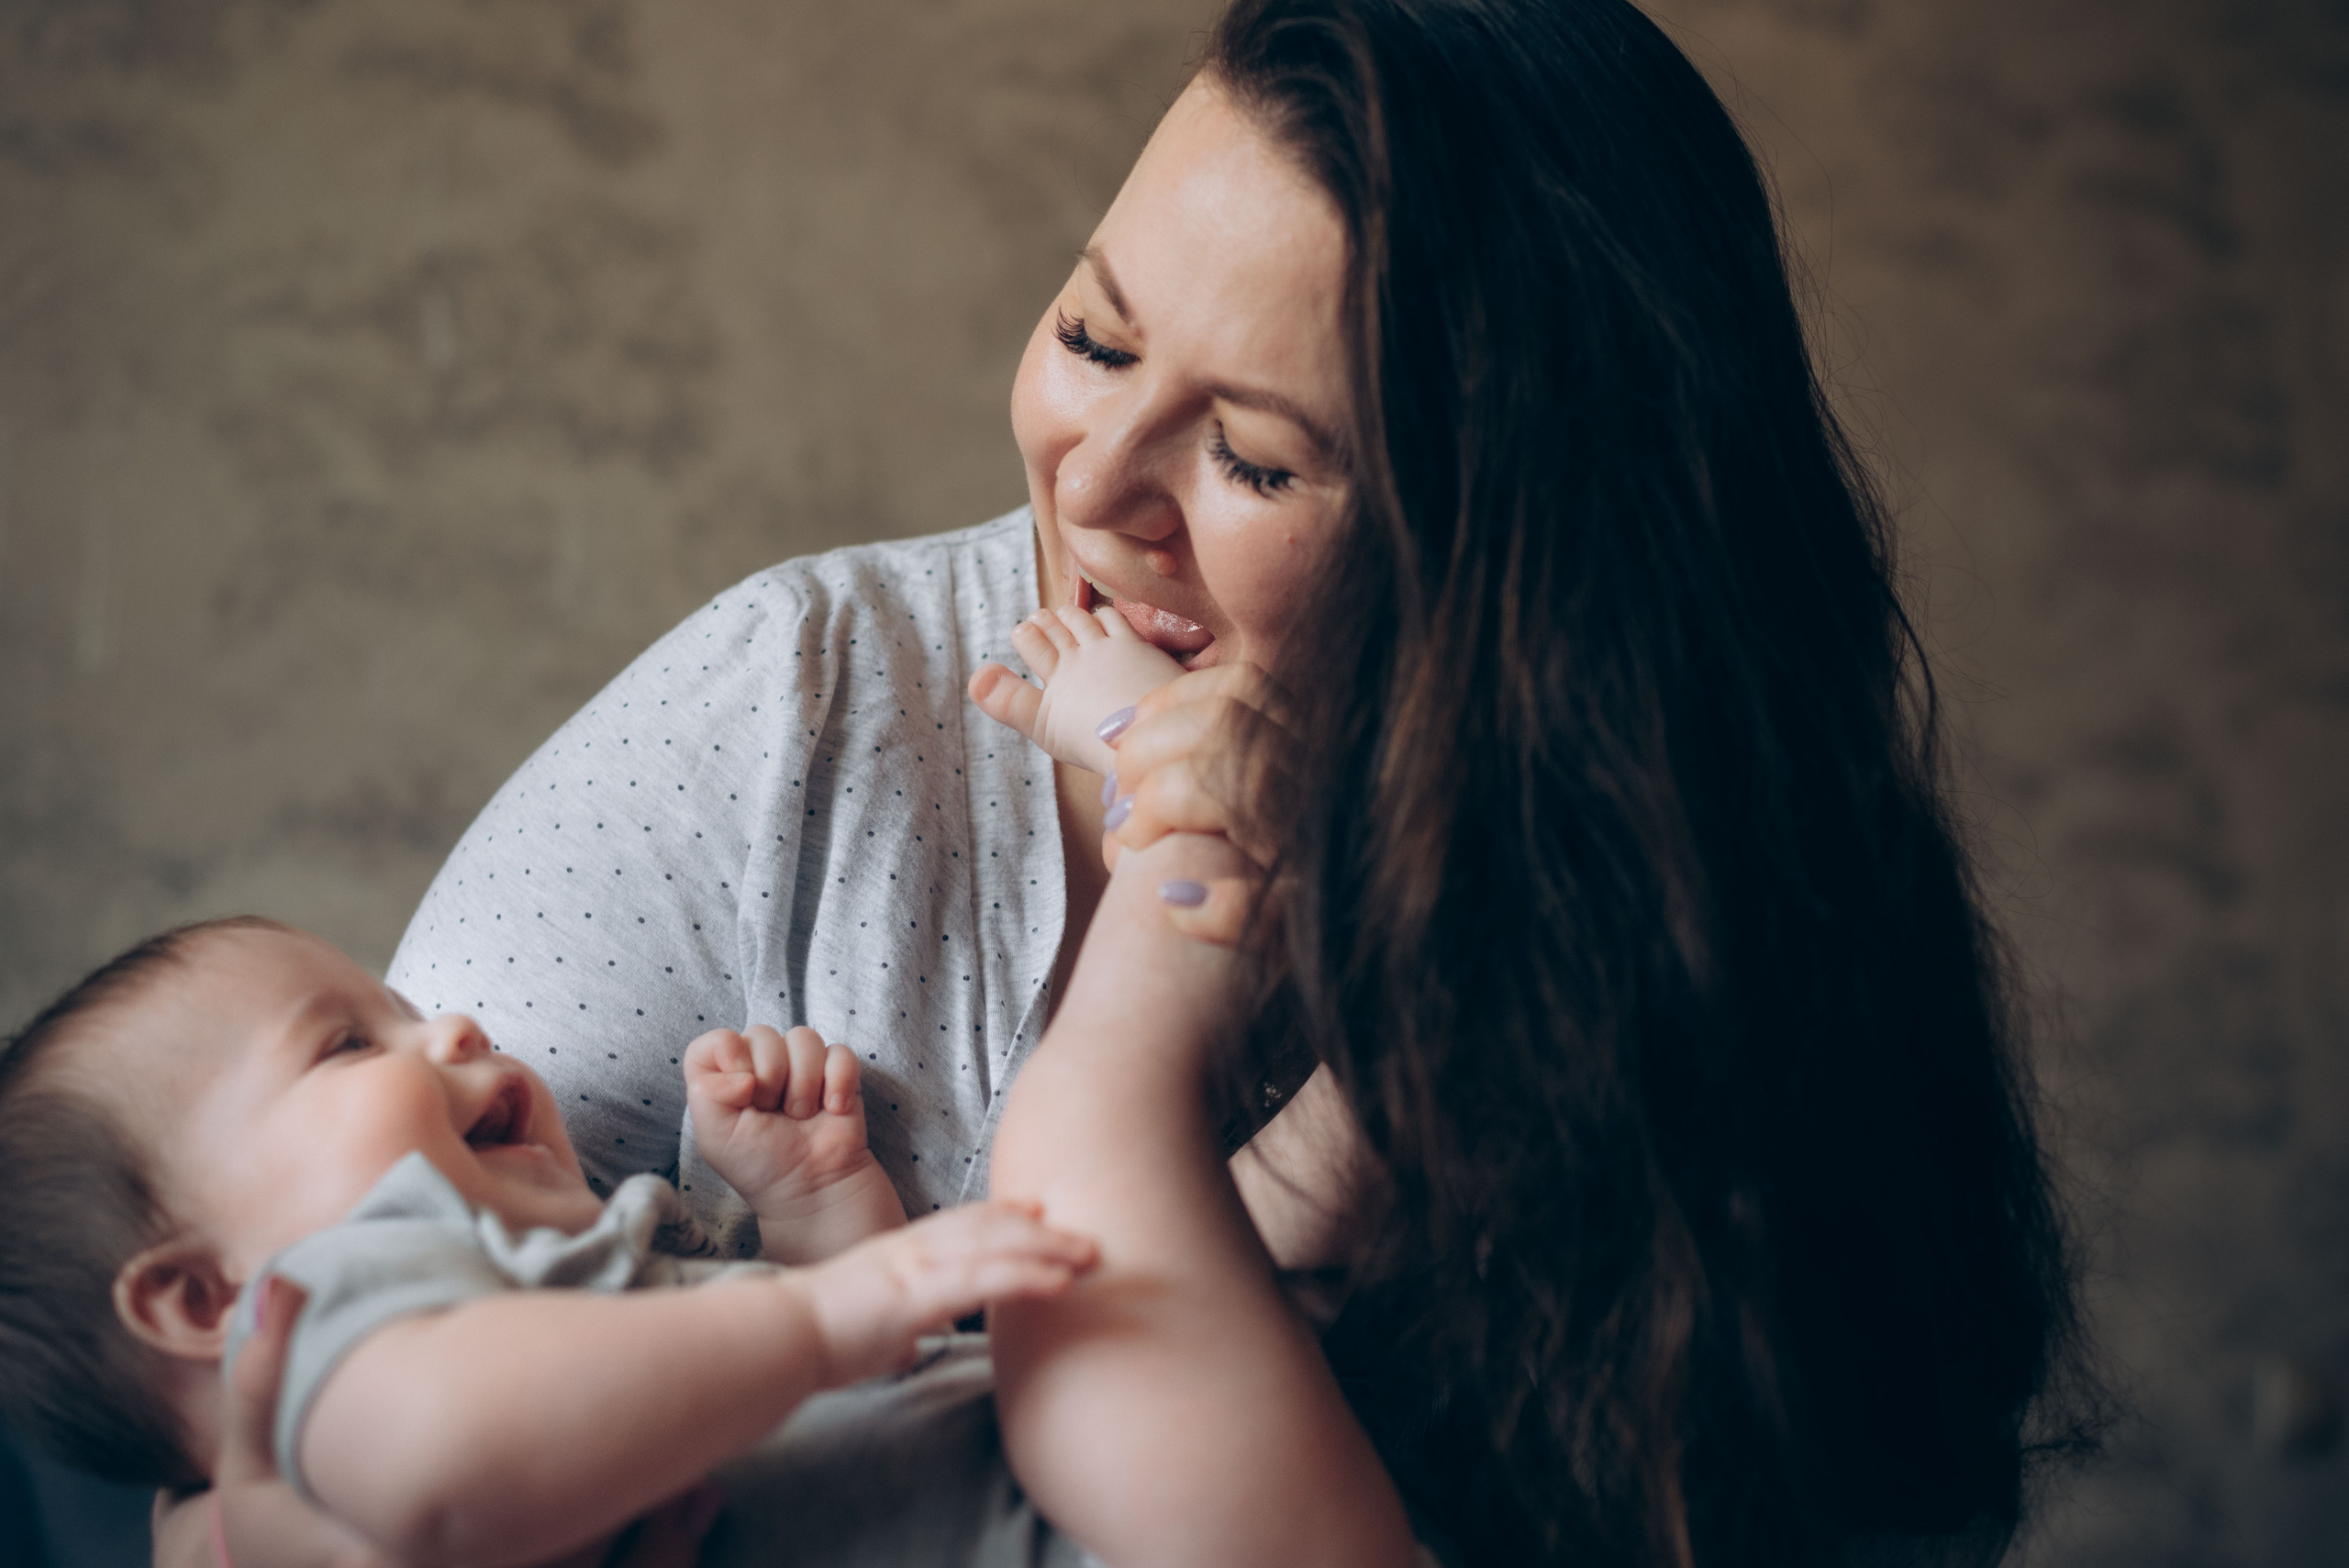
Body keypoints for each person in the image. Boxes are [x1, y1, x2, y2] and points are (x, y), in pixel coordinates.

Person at [159, 0, 2095, 1562]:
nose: (1089, 487)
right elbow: (287, 1335)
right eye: (1091, 332)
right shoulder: (794, 717)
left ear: (1521, 562)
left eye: (1251, 457)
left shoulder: (1713, 935)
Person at [0, 916, 1097, 1565]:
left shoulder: (591, 1267)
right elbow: (446, 1455)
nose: (455, 1025)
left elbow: (819, 1395)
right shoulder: (317, 1312)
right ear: (202, 1298)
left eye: (401, 1003)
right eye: (347, 1043)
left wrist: (813, 1207)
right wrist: (820, 1313)